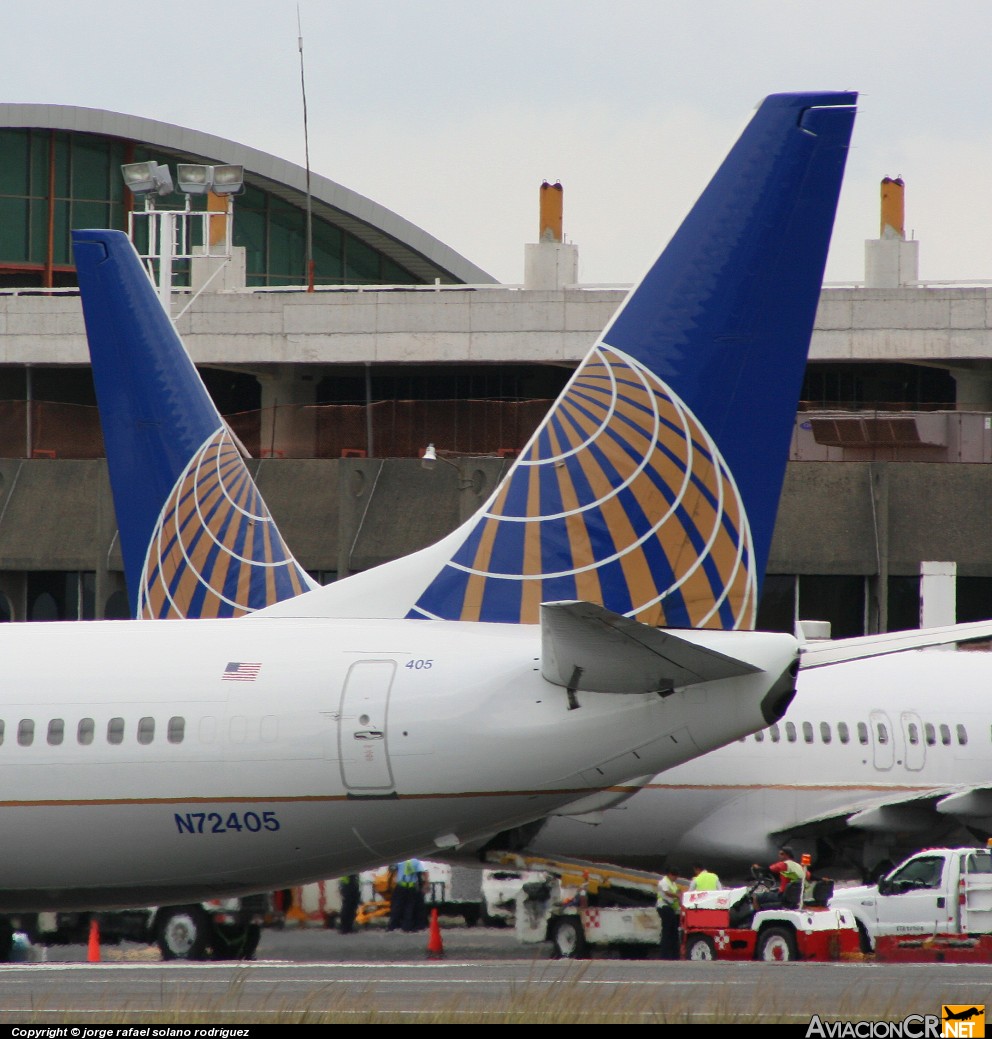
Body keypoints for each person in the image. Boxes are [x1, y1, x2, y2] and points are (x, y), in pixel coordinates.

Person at [390, 858, 427, 933]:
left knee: (408, 908)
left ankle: (406, 926)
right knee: (399, 907)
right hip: (402, 886)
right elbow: (392, 868)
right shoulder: (402, 860)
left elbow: (423, 872)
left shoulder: (414, 861)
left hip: (410, 886)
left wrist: (425, 883)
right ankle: (396, 925)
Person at [656, 866, 685, 960]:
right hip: (664, 906)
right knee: (667, 930)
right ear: (670, 875)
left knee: (674, 931)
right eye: (675, 876)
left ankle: (674, 955)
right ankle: (664, 955)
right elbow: (667, 893)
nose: (676, 878)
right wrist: (677, 895)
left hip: (670, 908)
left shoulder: (672, 883)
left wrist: (680, 894)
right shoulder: (664, 881)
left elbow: (676, 892)